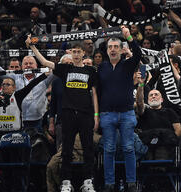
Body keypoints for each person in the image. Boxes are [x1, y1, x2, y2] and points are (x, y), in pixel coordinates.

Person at [28, 37, 99, 192]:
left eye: (78, 52)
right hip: (67, 114)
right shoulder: (65, 69)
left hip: (86, 114)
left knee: (88, 148)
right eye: (73, 51)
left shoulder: (90, 70)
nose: (76, 54)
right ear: (71, 53)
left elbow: (94, 93)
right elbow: (45, 62)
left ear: (83, 54)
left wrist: (96, 115)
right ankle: (66, 182)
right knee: (66, 149)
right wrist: (33, 48)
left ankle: (88, 182)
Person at [97, 26, 142, 192]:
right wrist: (97, 114)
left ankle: (131, 183)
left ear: (122, 50)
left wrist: (129, 37)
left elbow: (138, 55)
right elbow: (98, 91)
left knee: (129, 148)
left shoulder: (128, 65)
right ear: (107, 50)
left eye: (116, 47)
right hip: (107, 114)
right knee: (109, 149)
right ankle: (109, 184)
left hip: (127, 113)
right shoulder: (101, 67)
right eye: (110, 47)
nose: (113, 49)